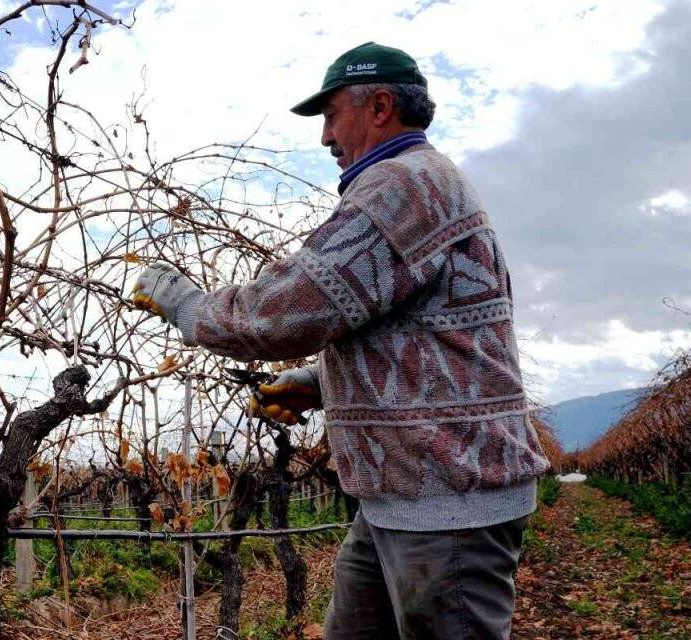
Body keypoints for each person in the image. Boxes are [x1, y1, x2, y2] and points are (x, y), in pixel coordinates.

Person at [130, 42, 549, 639]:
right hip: (402, 497)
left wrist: (187, 304)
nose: (325, 138)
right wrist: (321, 382)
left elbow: (288, 309)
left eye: (330, 116)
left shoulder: (401, 187)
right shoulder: (418, 184)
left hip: (446, 502)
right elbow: (421, 334)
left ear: (380, 107)